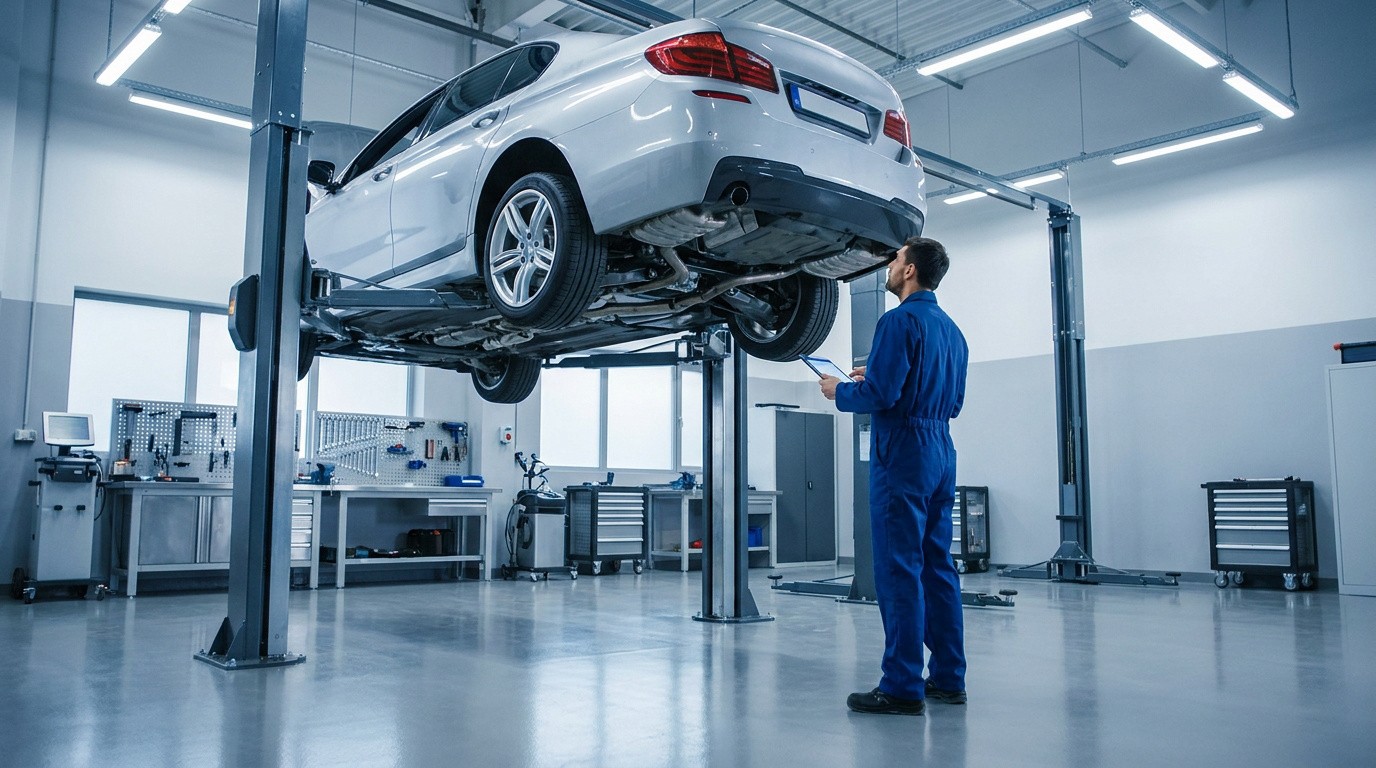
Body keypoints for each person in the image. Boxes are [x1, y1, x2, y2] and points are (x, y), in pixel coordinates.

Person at [820, 236, 969, 716]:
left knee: (898, 568)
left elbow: (880, 397)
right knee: (937, 565)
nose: (888, 264)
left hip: (902, 451)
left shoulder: (897, 321)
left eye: (895, 259)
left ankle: (902, 685)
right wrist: (878, 382)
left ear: (909, 272)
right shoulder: (952, 330)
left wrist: (840, 389)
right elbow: (952, 402)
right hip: (940, 450)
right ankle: (947, 678)